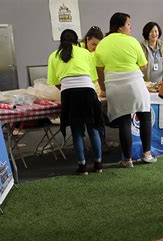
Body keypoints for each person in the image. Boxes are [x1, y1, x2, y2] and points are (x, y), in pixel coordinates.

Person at [95, 12, 156, 167]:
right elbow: (143, 66)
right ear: (120, 27)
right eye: (128, 24)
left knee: (124, 121)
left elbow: (99, 69)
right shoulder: (132, 41)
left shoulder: (102, 43)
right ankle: (147, 154)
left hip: (114, 85)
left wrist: (103, 88)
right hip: (135, 83)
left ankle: (127, 159)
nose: (131, 27)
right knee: (145, 116)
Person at [47, 29, 103, 175]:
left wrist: (67, 88)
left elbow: (54, 81)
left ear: (61, 41)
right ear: (77, 40)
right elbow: (93, 78)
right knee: (93, 128)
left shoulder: (54, 56)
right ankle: (98, 165)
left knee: (77, 131)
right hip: (88, 92)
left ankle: (82, 166)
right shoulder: (84, 52)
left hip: (69, 94)